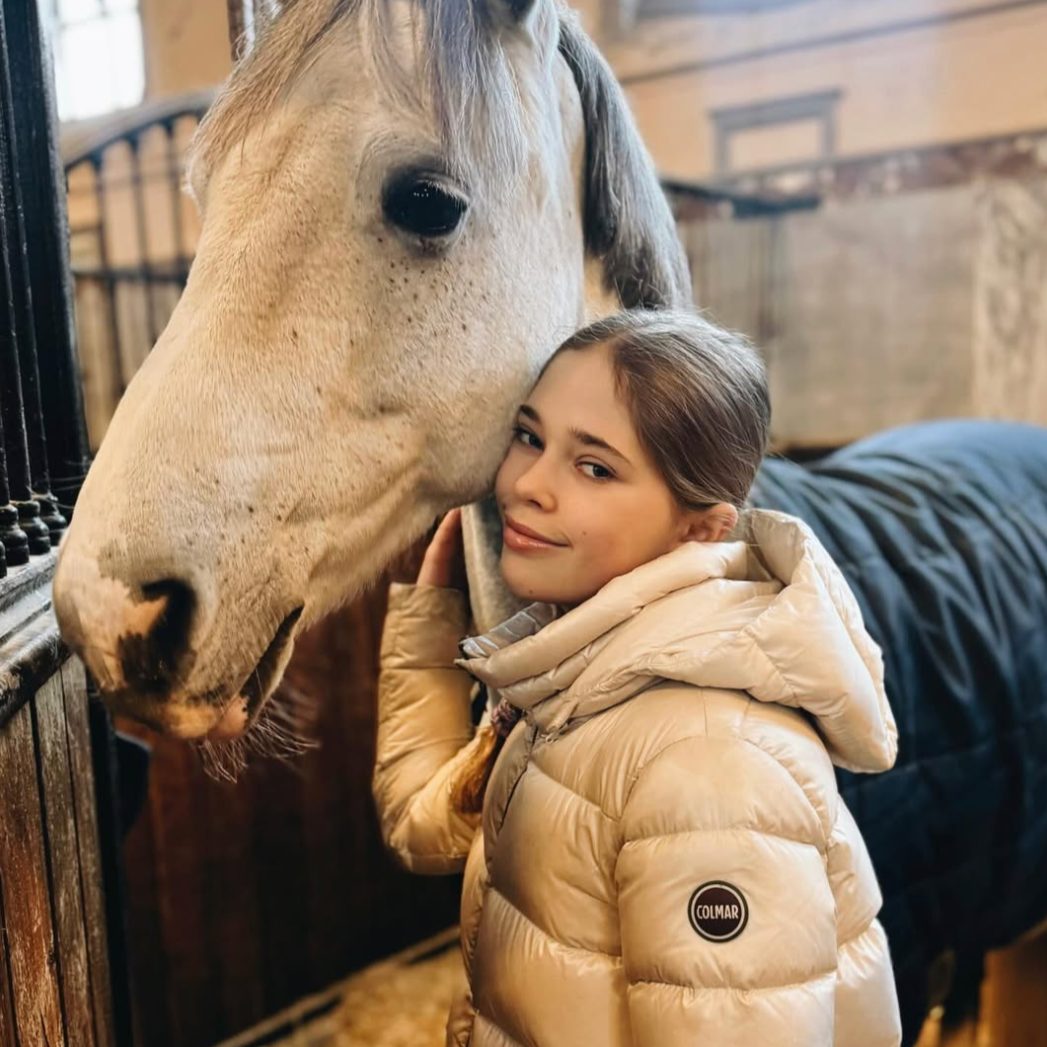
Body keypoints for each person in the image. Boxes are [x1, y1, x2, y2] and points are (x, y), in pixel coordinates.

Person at [372, 309, 902, 1047]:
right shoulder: (578, 681)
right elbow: (424, 827)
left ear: (699, 529)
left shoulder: (711, 765)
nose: (526, 483)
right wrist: (428, 636)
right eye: (529, 435)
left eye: (594, 466)